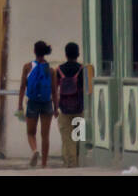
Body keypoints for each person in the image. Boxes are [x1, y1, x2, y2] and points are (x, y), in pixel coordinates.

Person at [17, 40, 56, 168]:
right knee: (45, 135)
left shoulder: (27, 66)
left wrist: (19, 105)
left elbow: (23, 86)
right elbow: (54, 91)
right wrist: (56, 108)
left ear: (34, 51)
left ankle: (35, 150)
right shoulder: (50, 70)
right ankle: (44, 164)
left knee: (30, 133)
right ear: (45, 52)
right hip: (47, 103)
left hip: (33, 102)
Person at [56, 42, 88, 168]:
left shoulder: (59, 70)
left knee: (67, 138)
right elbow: (87, 89)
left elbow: (55, 89)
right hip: (79, 108)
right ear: (78, 54)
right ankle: (78, 161)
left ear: (65, 54)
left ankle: (70, 164)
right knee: (79, 137)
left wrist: (55, 106)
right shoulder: (82, 69)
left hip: (64, 109)